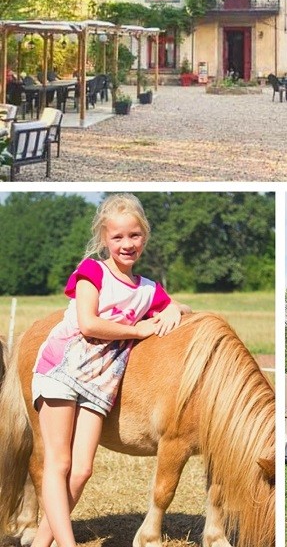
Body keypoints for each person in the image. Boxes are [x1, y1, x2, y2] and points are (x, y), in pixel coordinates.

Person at [30, 194, 191, 547]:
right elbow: (88, 323)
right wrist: (138, 331)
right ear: (104, 238)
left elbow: (178, 306)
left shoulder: (148, 289)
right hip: (63, 369)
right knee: (59, 463)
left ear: (144, 236)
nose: (126, 244)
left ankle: (41, 543)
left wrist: (173, 309)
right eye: (117, 237)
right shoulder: (92, 271)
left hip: (100, 383)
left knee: (82, 470)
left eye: (134, 235)